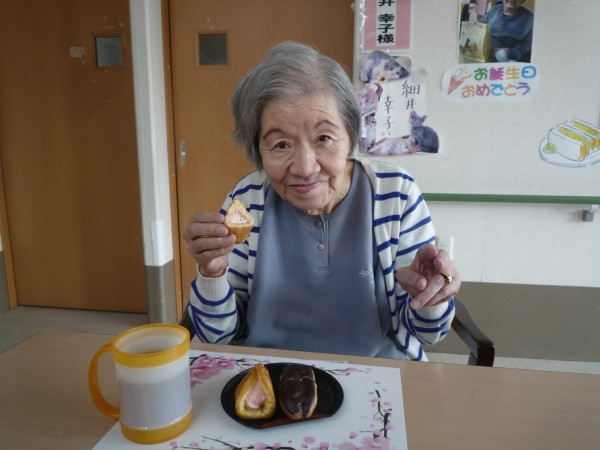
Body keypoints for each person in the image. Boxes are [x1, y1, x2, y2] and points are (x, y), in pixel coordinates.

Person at [183, 41, 460, 361]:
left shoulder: (395, 195)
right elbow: (217, 336)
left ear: (351, 136)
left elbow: (428, 334)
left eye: (323, 138)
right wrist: (212, 274)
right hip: (269, 372)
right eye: (281, 144)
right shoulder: (247, 200)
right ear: (257, 149)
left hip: (376, 372)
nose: (304, 168)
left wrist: (432, 297)